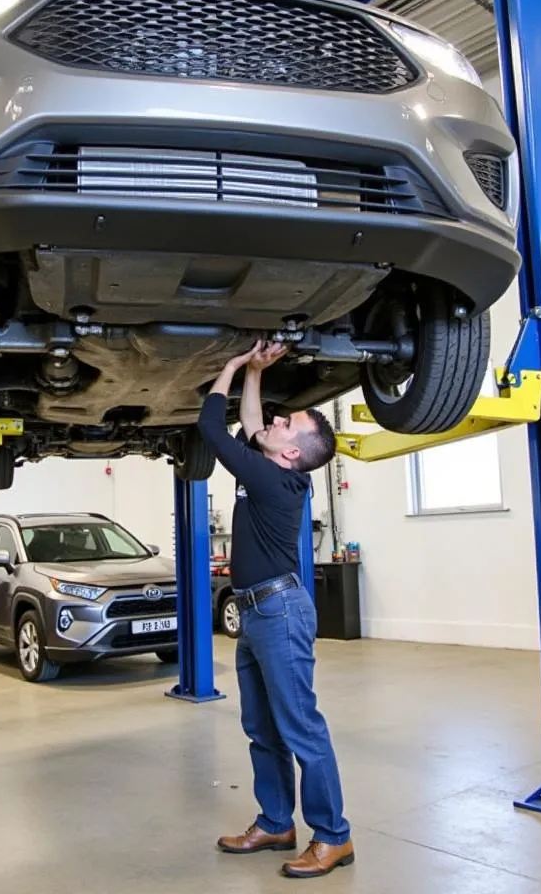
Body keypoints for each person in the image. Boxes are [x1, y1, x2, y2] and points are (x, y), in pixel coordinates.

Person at [198, 341, 353, 880]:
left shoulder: (271, 478)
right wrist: (259, 375)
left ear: (290, 454)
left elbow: (213, 430)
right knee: (262, 727)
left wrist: (231, 368)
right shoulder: (274, 469)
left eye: (288, 424)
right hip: (258, 614)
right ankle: (276, 823)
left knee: (300, 728)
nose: (277, 421)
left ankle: (334, 836)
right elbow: (251, 423)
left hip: (278, 613)